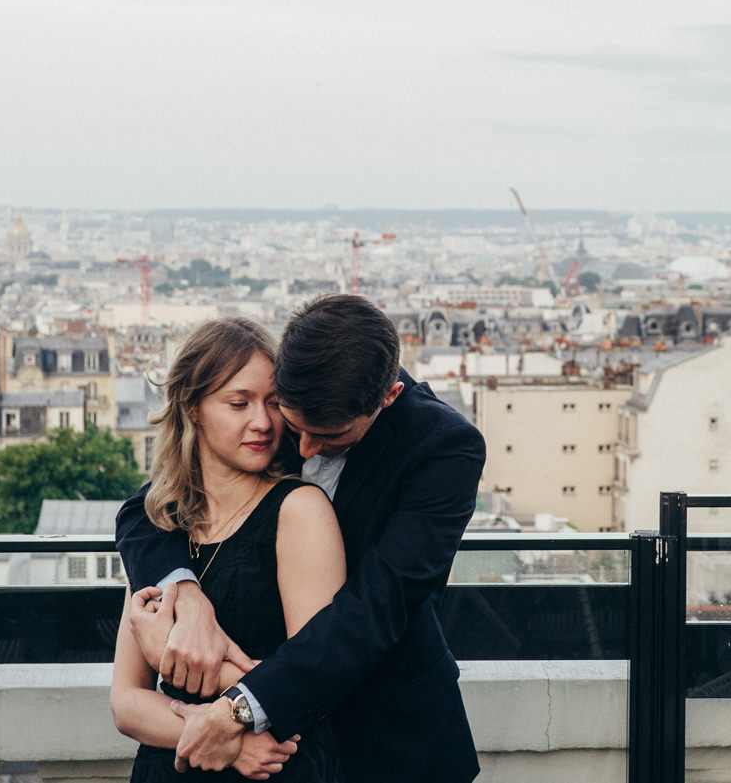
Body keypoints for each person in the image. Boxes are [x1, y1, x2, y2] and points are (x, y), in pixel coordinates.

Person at [116, 294, 486, 783]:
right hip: (279, 737)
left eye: (327, 436)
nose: (302, 450)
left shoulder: (444, 448)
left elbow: (376, 608)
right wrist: (187, 596)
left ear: (387, 397)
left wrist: (230, 707)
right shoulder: (283, 403)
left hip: (392, 735)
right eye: (295, 427)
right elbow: (148, 513)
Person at [109, 316, 347, 781]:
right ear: (193, 407)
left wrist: (204, 705)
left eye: (274, 403)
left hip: (279, 765)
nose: (262, 422)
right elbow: (125, 703)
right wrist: (217, 736)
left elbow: (315, 679)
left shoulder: (298, 510)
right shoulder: (162, 527)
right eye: (239, 403)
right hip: (200, 760)